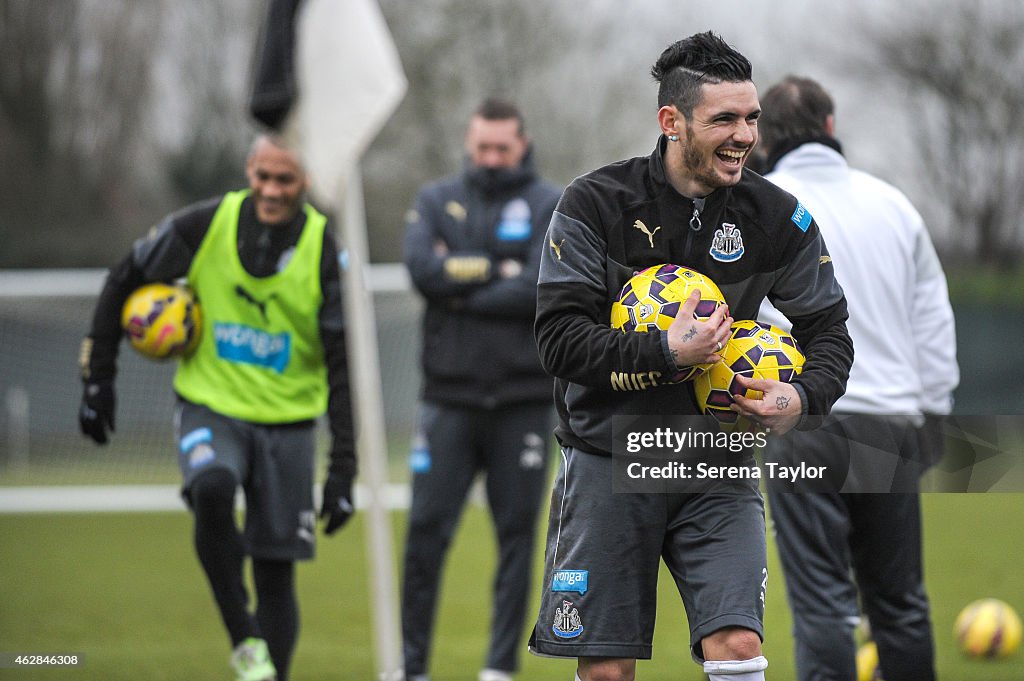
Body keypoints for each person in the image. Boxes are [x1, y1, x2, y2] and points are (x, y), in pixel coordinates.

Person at [528, 33, 855, 681]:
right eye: (725, 119)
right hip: (610, 459)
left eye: (752, 117)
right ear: (671, 122)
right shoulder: (595, 204)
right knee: (608, 668)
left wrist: (802, 397)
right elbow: (560, 340)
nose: (745, 135)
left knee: (737, 645)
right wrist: (665, 350)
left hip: (718, 462)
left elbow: (830, 331)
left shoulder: (776, 216)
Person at [77, 135, 357, 681]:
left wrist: (344, 465)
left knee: (276, 576)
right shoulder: (205, 224)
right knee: (211, 490)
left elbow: (345, 365)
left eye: (286, 180)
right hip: (213, 406)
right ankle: (243, 636)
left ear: (307, 184)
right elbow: (122, 279)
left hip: (290, 423)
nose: (271, 191)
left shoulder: (325, 250)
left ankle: (269, 674)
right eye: (262, 176)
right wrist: (98, 378)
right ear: (248, 169)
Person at [755, 75, 959, 681]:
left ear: (763, 137)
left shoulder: (763, 204)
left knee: (823, 606)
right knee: (900, 605)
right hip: (891, 425)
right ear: (831, 127)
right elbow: (933, 318)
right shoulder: (894, 204)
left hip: (804, 421)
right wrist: (932, 410)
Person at [400, 97, 562, 681]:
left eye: (502, 148)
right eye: (482, 149)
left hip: (522, 402)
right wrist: (501, 267)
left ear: (522, 145)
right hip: (447, 401)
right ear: (470, 147)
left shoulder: (551, 204)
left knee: (517, 538)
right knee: (424, 533)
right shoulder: (435, 199)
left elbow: (540, 287)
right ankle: (412, 666)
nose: (492, 158)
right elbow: (422, 271)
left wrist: (461, 277)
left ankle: (499, 670)